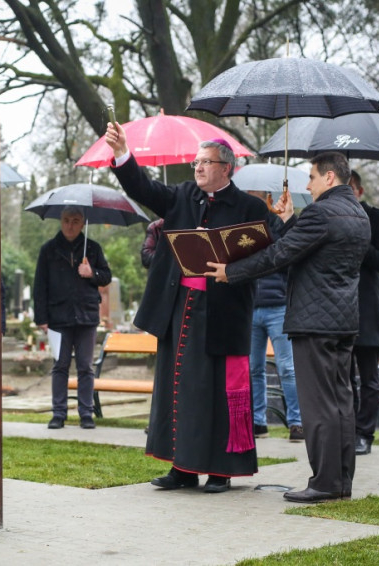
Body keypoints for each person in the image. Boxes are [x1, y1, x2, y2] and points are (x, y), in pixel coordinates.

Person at [106, 123, 281, 494]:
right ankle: (182, 468)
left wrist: (239, 262)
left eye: (206, 162)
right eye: (196, 162)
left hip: (224, 313)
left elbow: (276, 252)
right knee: (179, 390)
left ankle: (220, 471)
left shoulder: (250, 207)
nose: (198, 168)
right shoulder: (183, 196)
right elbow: (142, 188)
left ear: (226, 168)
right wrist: (122, 153)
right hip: (180, 309)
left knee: (216, 392)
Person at [206, 152, 370, 503]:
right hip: (343, 322)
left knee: (318, 406)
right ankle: (341, 481)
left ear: (329, 177)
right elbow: (313, 249)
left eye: (311, 177)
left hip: (314, 322)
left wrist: (231, 272)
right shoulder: (358, 213)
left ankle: (324, 482)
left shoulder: (321, 212)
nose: (307, 185)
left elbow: (280, 254)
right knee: (341, 402)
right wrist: (290, 219)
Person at [33, 206, 111, 430]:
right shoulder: (48, 250)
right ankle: (58, 413)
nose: (70, 225)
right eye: (67, 220)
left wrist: (92, 273)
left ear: (82, 223)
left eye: (75, 221)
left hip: (86, 316)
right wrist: (41, 318)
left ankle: (86, 413)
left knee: (85, 367)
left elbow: (106, 276)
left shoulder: (93, 249)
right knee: (60, 366)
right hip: (58, 318)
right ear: (61, 221)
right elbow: (40, 286)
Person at [245, 191, 303, 443]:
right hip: (250, 305)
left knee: (287, 367)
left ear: (267, 196)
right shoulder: (242, 225)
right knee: (253, 368)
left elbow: (289, 257)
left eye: (257, 194)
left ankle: (297, 422)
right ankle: (258, 422)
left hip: (277, 305)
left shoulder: (278, 223)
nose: (252, 198)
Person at [349, 171, 379, 456]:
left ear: (360, 191)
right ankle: (347, 431)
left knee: (369, 379)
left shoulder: (377, 218)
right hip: (335, 310)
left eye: (350, 188)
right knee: (342, 380)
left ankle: (365, 433)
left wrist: (359, 240)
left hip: (365, 311)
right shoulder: (329, 218)